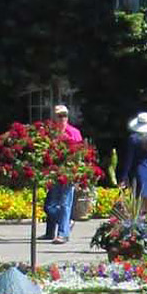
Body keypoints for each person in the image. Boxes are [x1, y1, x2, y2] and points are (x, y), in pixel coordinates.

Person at [42, 105, 84, 245]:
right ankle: (63, 224)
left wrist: (78, 175)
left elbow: (80, 154)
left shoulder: (74, 132)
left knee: (65, 204)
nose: (62, 118)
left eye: (64, 115)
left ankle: (62, 234)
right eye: (59, 116)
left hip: (68, 172)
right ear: (54, 118)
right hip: (53, 172)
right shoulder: (50, 133)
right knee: (49, 205)